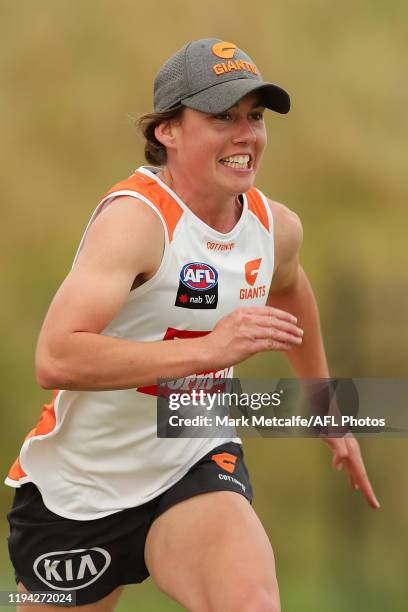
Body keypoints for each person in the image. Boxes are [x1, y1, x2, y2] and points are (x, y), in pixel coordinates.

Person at [6, 38, 379, 612]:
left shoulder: (273, 227)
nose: (246, 135)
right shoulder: (136, 222)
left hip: (193, 459)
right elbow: (56, 358)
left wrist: (324, 402)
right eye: (222, 117)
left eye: (254, 117)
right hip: (78, 492)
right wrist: (208, 350)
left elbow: (289, 289)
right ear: (167, 132)